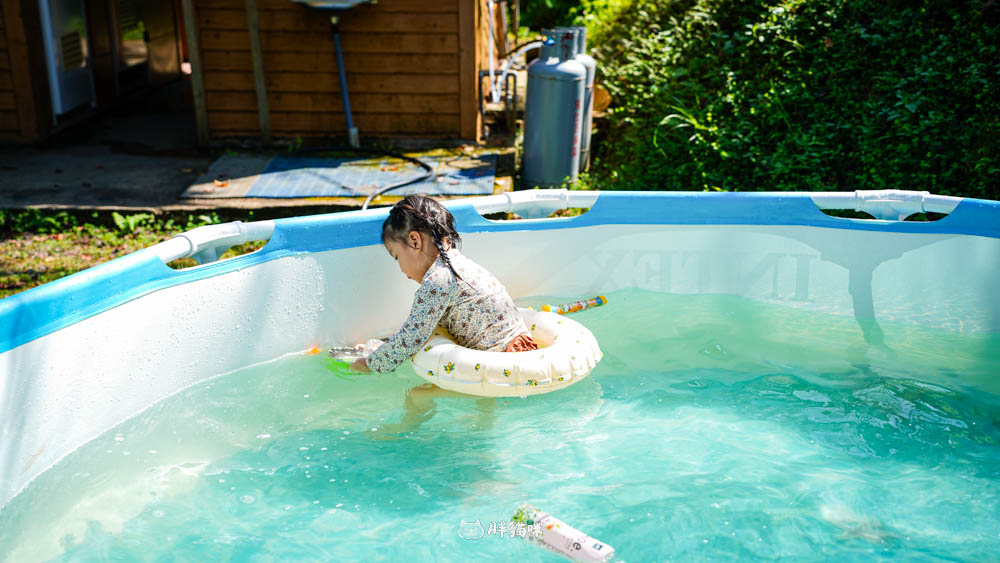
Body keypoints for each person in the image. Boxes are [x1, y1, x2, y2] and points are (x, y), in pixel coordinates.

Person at [350, 194, 537, 377]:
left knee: (418, 395)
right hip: (521, 350)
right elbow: (418, 328)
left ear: (414, 241)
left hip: (501, 364)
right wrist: (379, 346)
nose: (399, 268)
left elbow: (411, 339)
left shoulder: (437, 281)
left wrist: (370, 363)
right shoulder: (459, 265)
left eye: (397, 256)